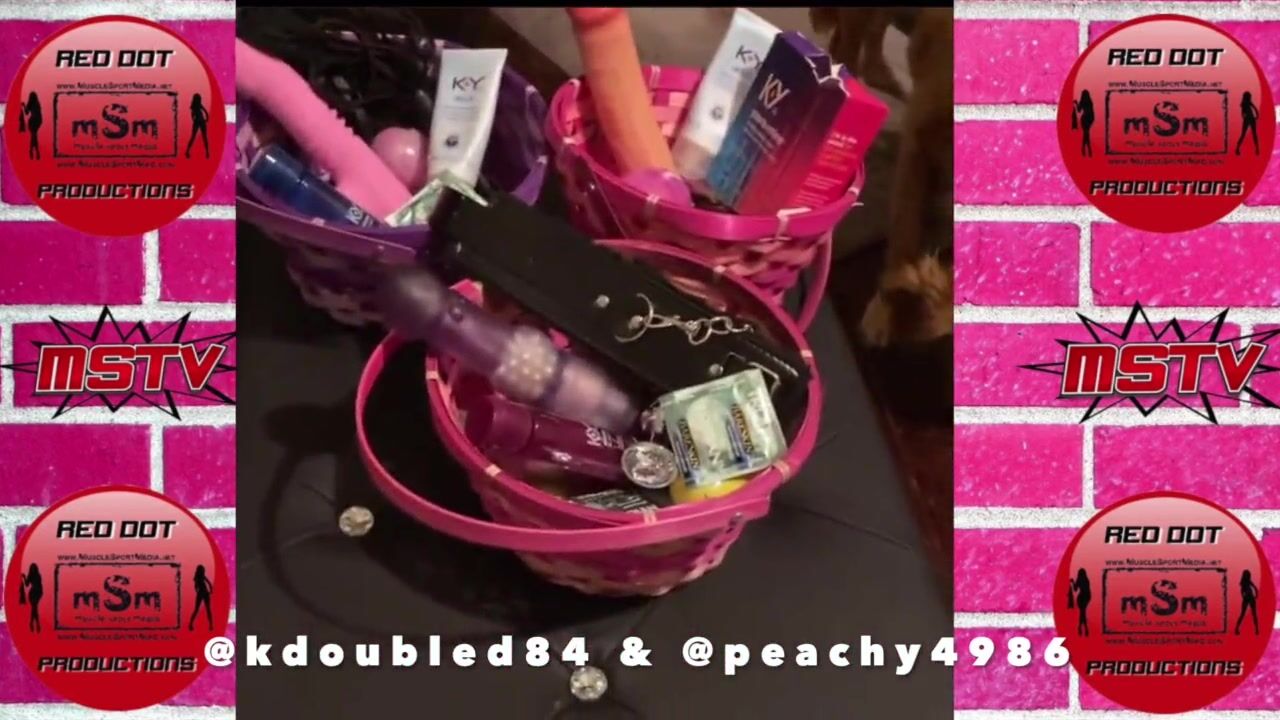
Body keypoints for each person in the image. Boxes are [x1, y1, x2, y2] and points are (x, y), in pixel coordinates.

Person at [188, 564, 214, 631]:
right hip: (203, 593)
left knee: (203, 609)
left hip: (203, 593)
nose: (203, 571)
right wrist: (210, 590)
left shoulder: (200, 576)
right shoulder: (198, 577)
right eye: (202, 570)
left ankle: (210, 625)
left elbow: (197, 586)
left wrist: (210, 590)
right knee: (202, 609)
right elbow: (198, 585)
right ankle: (191, 624)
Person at [185, 93, 211, 159]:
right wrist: (206, 118)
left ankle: (207, 152)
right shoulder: (195, 106)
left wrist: (206, 118)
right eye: (199, 99)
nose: (200, 100)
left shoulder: (197, 105)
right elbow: (193, 114)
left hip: (200, 122)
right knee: (197, 137)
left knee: (202, 137)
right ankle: (187, 151)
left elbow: (204, 111)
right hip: (199, 122)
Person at [1235, 569, 1260, 635]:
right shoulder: (1244, 582)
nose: (1248, 576)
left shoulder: (1247, 581)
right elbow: (1242, 591)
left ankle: (1257, 629)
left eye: (1248, 575)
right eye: (1247, 575)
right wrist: (1244, 596)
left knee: (1252, 614)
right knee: (1245, 614)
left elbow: (1254, 588)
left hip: (1250, 598)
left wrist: (1256, 595)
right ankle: (1237, 629)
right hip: (1248, 598)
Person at [19, 92, 42, 160]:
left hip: (34, 121)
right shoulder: (37, 103)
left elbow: (26, 112)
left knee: (33, 135)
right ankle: (35, 151)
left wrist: (24, 105)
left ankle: (32, 151)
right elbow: (37, 113)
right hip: (38, 120)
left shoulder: (31, 103)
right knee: (34, 136)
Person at [1069, 568, 1092, 636]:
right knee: (1083, 613)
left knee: (1082, 613)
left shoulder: (1080, 580)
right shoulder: (1086, 580)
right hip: (1086, 597)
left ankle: (1081, 628)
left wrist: (1073, 582)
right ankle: (1084, 629)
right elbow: (1078, 589)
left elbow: (1075, 589)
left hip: (1082, 597)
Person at [21, 563, 43, 633]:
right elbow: (27, 584)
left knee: (34, 608)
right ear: (30, 569)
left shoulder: (38, 575)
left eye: (34, 568)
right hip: (32, 593)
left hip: (38, 592)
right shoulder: (30, 575)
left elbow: (38, 585)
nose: (33, 569)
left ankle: (32, 623)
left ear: (35, 568)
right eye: (32, 568)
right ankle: (37, 624)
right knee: (34, 608)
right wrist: (24, 577)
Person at [1236, 91, 1260, 156]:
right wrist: (1256, 115)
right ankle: (1237, 148)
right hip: (1249, 119)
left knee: (1246, 134)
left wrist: (1256, 115)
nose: (1250, 97)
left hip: (1250, 119)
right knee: (1249, 134)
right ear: (1247, 97)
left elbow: (1243, 113)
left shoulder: (1246, 103)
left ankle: (1257, 149)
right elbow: (1243, 113)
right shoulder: (1245, 103)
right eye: (1249, 96)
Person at [1073, 90, 1095, 158]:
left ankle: (1085, 149)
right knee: (1086, 134)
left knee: (1086, 134)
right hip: (1090, 118)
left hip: (1085, 119)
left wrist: (1076, 103)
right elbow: (1091, 112)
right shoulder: (1090, 102)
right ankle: (1088, 150)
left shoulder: (1082, 101)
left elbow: (1079, 110)